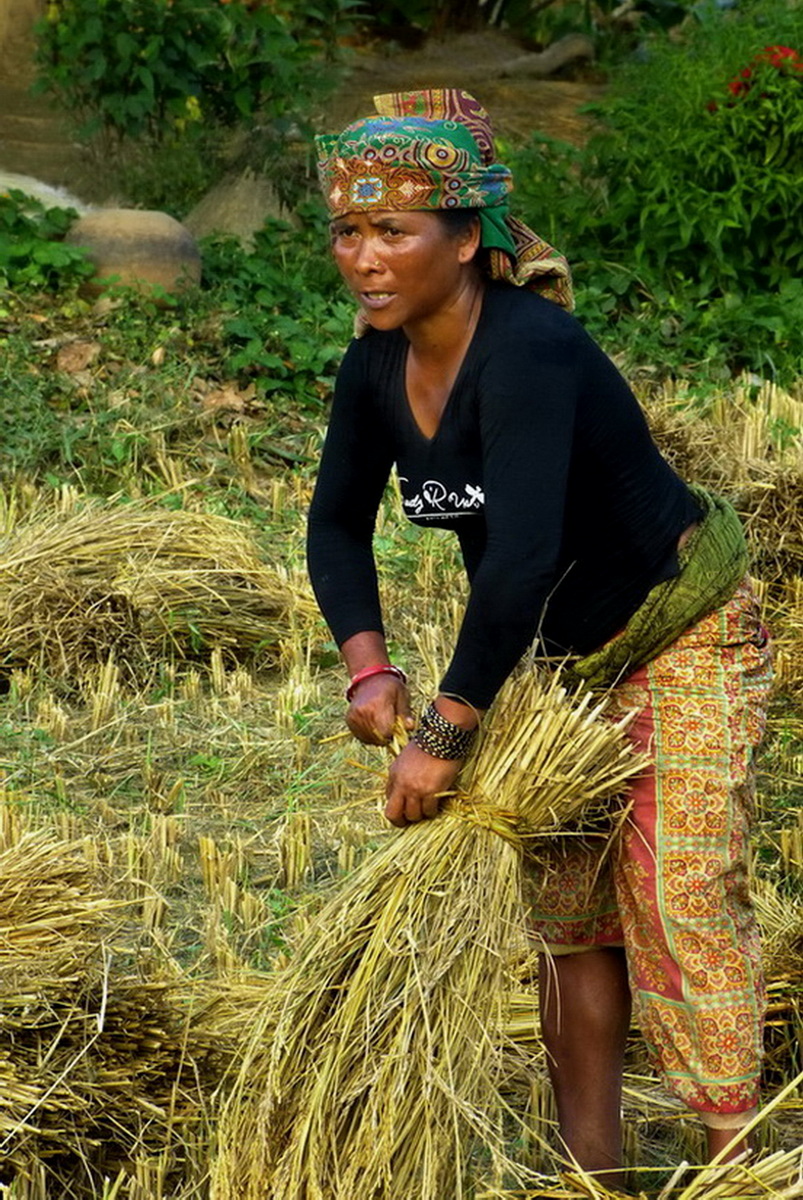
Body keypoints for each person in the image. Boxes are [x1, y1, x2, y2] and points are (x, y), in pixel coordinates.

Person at [306, 87, 773, 1186]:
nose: (365, 259)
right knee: (567, 914)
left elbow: (515, 562)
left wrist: (445, 731)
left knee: (677, 896)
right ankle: (590, 1175)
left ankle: (739, 1166)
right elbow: (333, 523)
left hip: (676, 629)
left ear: (465, 240)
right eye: (347, 232)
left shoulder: (529, 351)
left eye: (393, 231)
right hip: (555, 667)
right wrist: (366, 663)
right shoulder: (371, 368)